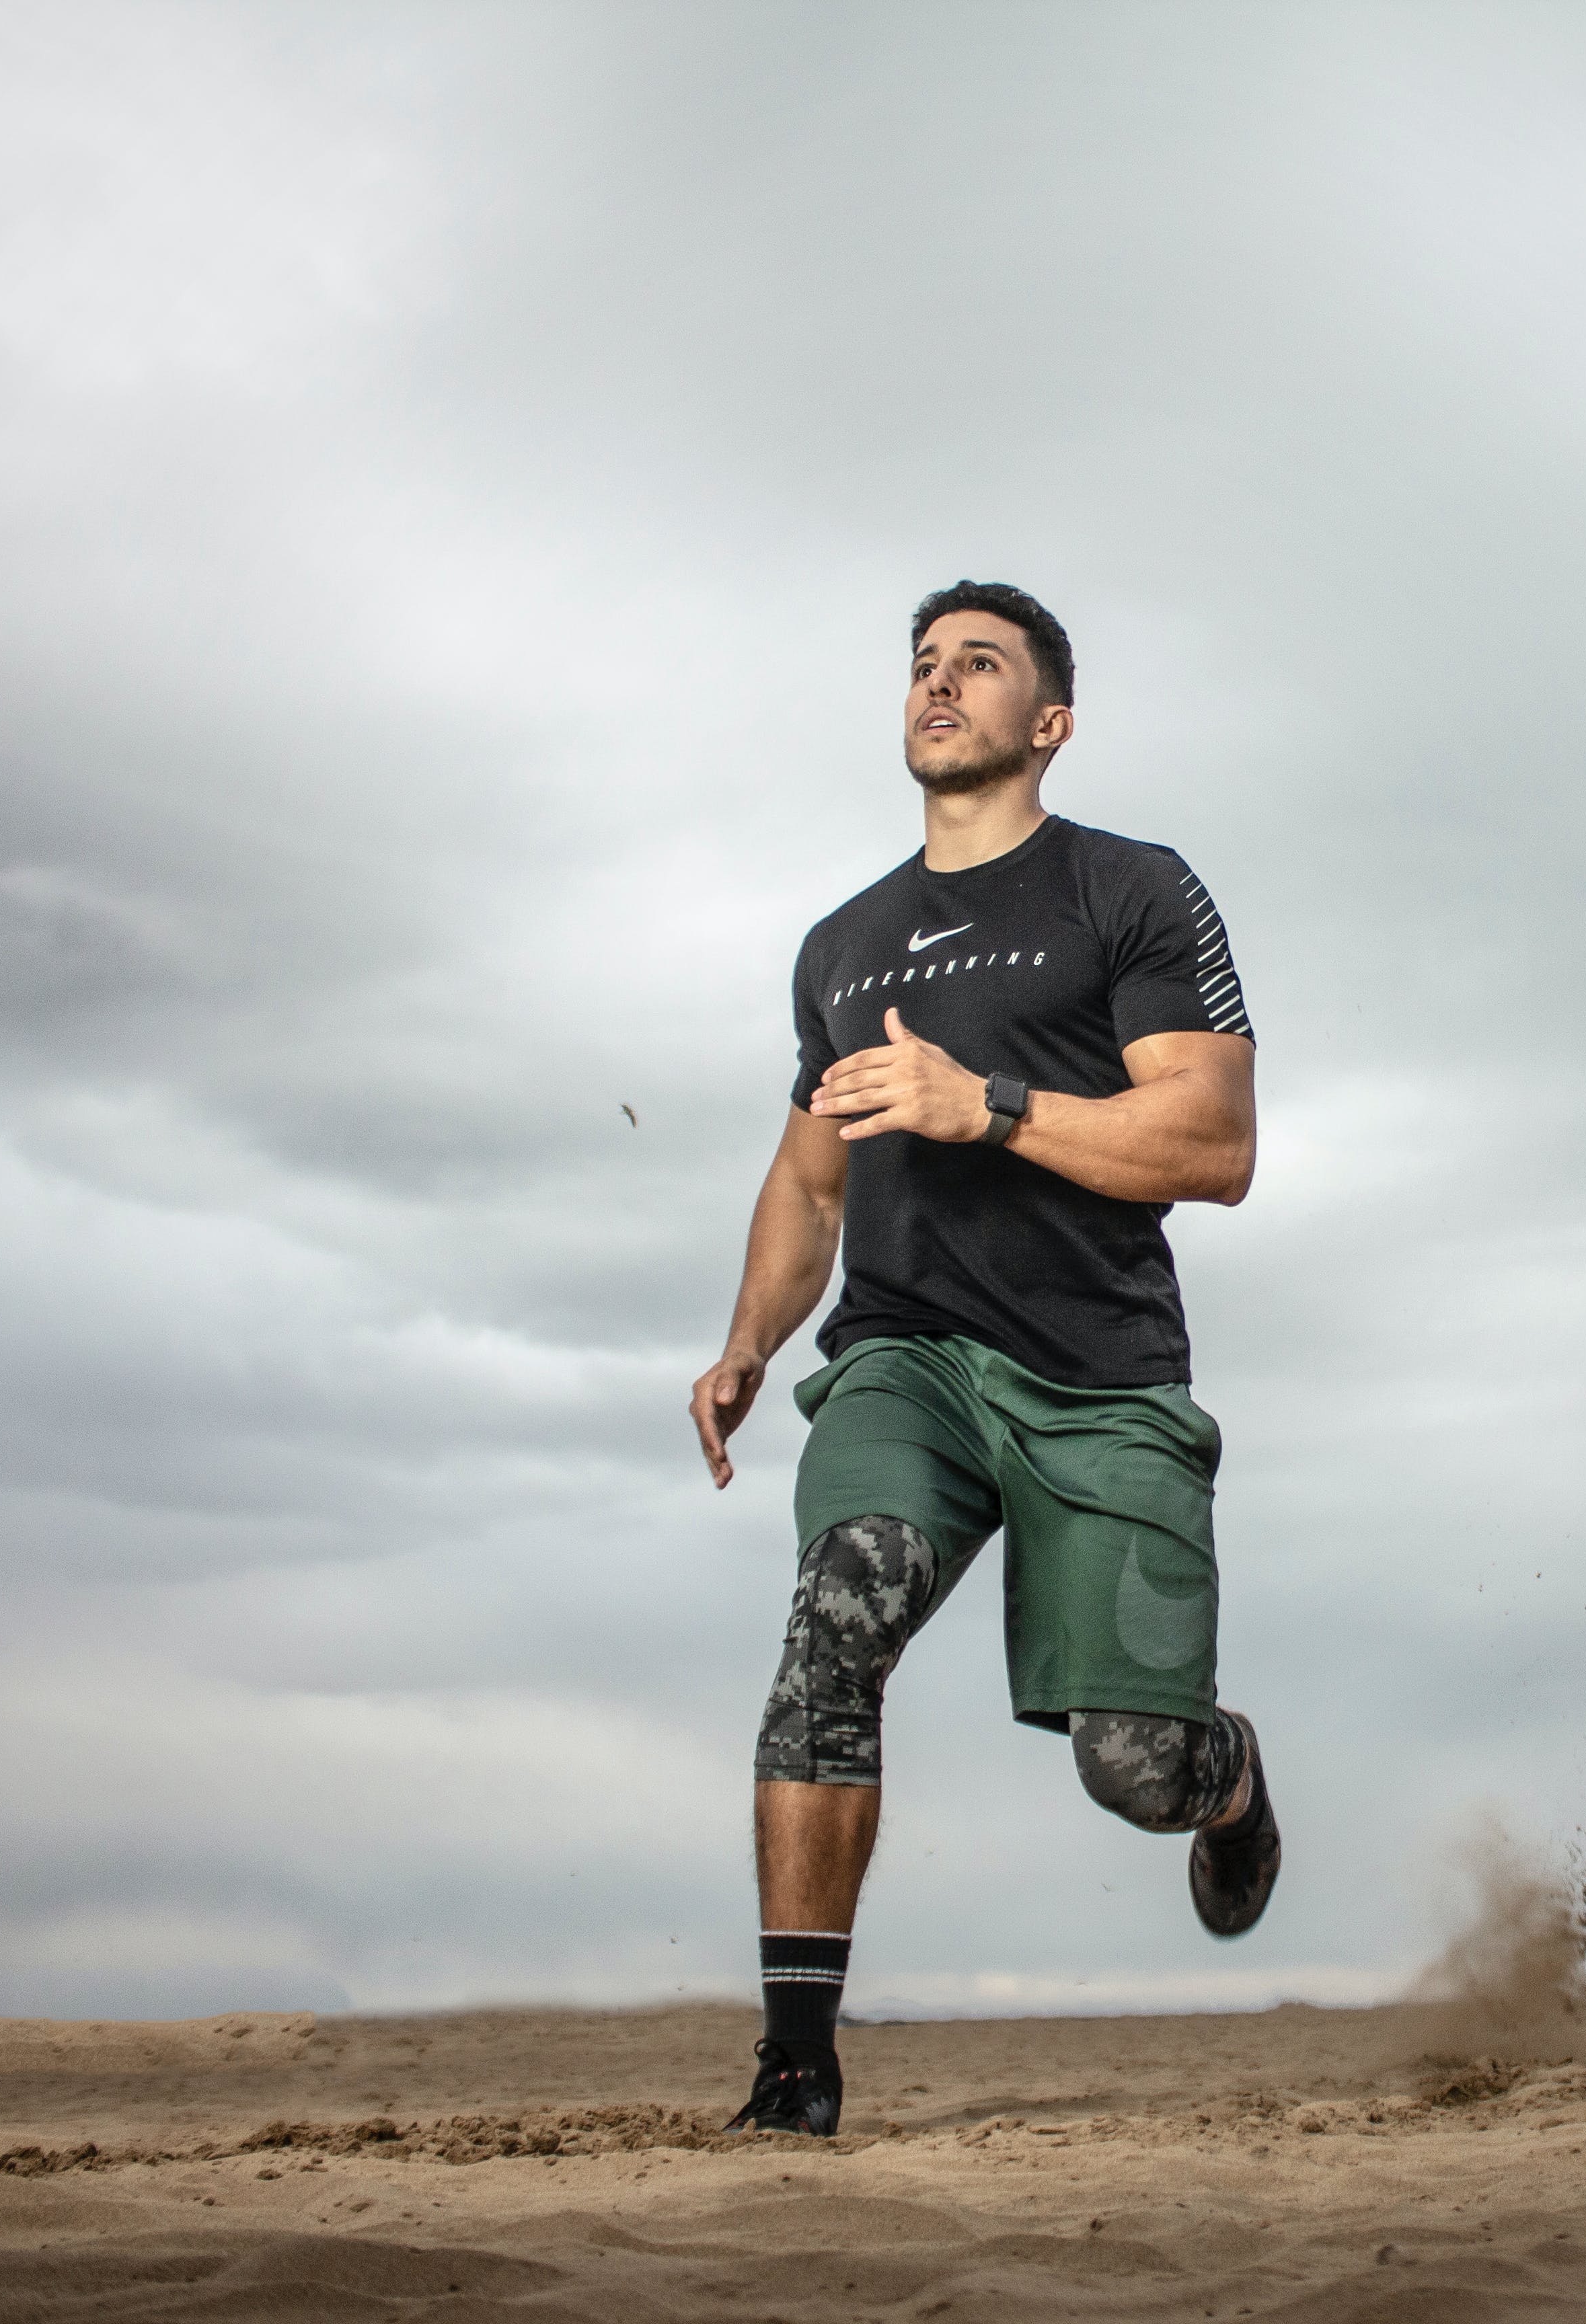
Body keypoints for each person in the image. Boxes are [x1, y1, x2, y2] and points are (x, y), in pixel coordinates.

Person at [685, 580, 1278, 2138]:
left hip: (1098, 1375)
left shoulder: (1130, 890)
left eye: (982, 665)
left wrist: (990, 1106)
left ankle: (1226, 1775)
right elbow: (811, 1178)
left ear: (1051, 722)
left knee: (1130, 1765)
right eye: (923, 665)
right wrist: (753, 1336)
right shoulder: (844, 944)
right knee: (833, 1631)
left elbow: (1214, 1145)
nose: (940, 684)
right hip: (908, 1363)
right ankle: (796, 2068)